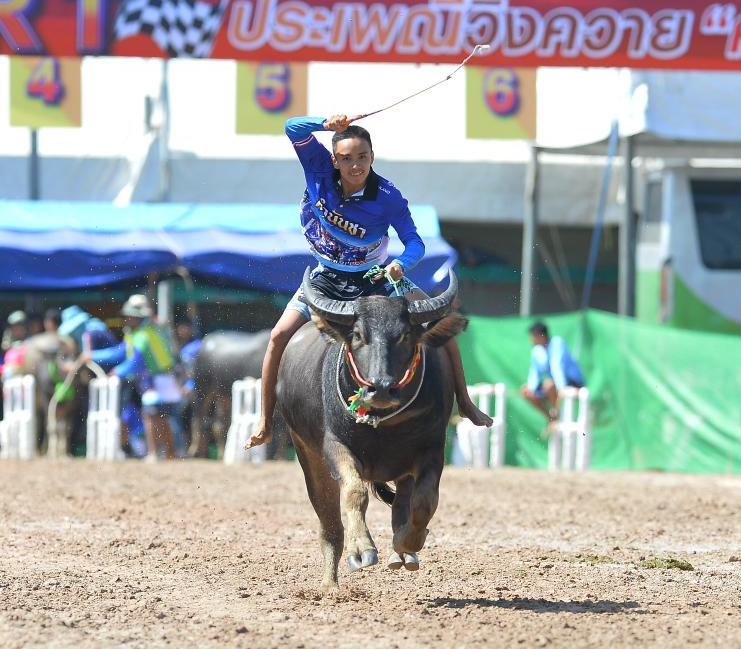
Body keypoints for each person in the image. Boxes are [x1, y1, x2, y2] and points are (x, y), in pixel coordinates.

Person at [244, 114, 491, 450]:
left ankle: (465, 402)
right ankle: (265, 422)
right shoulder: (317, 167)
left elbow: (414, 242)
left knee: (439, 321)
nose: (356, 165)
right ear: (334, 160)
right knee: (278, 336)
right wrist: (327, 124)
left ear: (372, 157)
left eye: (362, 157)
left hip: (376, 277)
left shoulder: (388, 196)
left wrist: (401, 265)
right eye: (347, 159)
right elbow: (292, 127)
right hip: (325, 277)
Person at [86, 295, 183, 461]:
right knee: (158, 417)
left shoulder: (144, 335)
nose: (127, 320)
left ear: (139, 317)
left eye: (131, 317)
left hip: (160, 380)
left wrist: (118, 371)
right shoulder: (138, 334)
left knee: (153, 417)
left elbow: (136, 362)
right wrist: (92, 355)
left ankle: (158, 453)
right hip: (156, 380)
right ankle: (167, 453)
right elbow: (119, 352)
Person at [519, 321, 585, 433]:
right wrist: (531, 389)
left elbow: (557, 366)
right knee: (525, 391)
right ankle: (551, 417)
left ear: (540, 335)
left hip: (572, 383)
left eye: (532, 336)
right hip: (555, 386)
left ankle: (557, 416)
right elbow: (535, 372)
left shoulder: (557, 343)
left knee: (548, 385)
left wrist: (561, 388)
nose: (531, 339)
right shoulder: (537, 351)